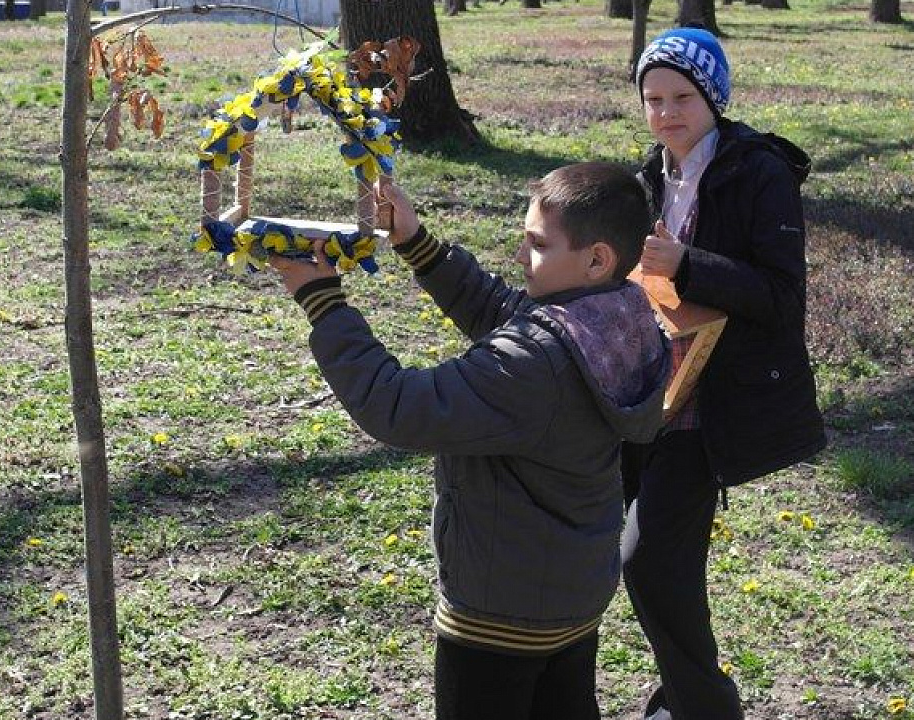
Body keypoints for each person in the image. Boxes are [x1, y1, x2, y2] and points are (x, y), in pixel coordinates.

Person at [268, 162, 671, 720]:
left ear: (596, 258)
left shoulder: (537, 363)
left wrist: (322, 303)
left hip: (499, 615)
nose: (521, 254)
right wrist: (416, 242)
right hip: (571, 592)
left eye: (537, 244)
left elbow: (399, 406)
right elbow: (506, 313)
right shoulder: (617, 319)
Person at [623, 27, 828, 720]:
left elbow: (780, 298)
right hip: (642, 392)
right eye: (653, 99)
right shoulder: (648, 174)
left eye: (682, 97)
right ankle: (679, 701)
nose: (666, 113)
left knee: (647, 560)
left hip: (711, 406)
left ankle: (705, 707)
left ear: (715, 97)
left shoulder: (758, 173)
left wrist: (684, 262)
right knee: (625, 555)